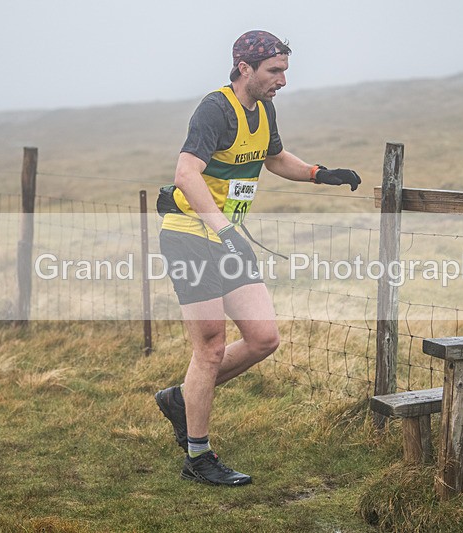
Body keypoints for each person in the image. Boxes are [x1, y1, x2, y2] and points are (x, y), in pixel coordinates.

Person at [155, 30, 361, 486]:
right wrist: (223, 229)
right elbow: (186, 173)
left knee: (264, 338)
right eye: (275, 71)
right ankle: (198, 457)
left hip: (226, 237)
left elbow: (274, 157)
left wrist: (318, 173)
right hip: (191, 236)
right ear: (244, 68)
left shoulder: (264, 108)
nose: (282, 80)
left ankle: (180, 399)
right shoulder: (215, 109)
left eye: (284, 70)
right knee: (210, 348)